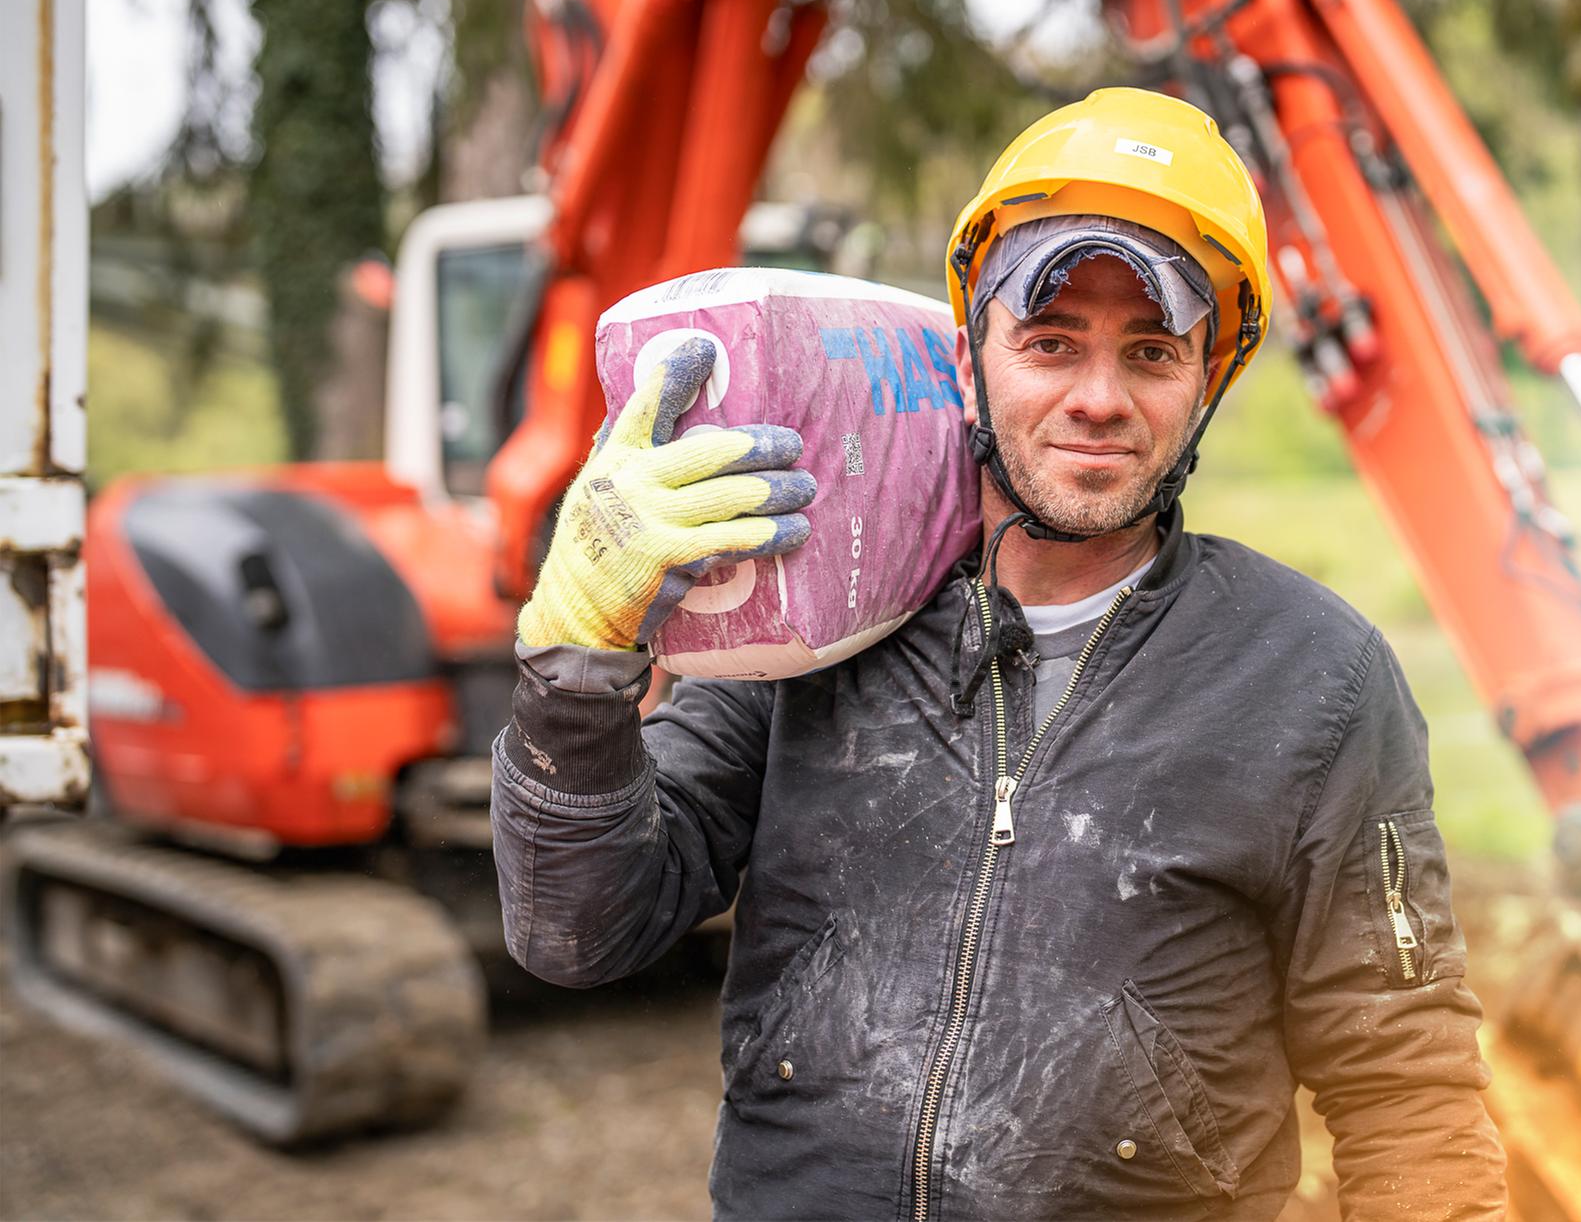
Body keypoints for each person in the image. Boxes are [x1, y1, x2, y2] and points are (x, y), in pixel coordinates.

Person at [493, 87, 1507, 1220]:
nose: (1098, 398)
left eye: (1155, 352)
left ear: (1209, 382)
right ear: (971, 361)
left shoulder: (1316, 681)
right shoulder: (822, 622)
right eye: (1051, 342)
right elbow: (576, 929)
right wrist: (574, 654)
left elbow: (1406, 1087)